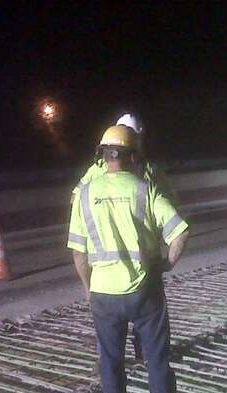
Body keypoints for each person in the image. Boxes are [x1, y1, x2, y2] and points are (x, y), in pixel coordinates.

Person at [67, 125, 190, 393]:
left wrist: (88, 288)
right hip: (143, 289)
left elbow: (79, 253)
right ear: (134, 154)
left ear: (103, 155)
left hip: (104, 294)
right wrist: (168, 262)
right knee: (157, 360)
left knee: (110, 364)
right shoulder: (143, 189)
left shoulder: (86, 194)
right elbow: (180, 231)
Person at [73, 114, 171, 371]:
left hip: (142, 256)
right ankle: (111, 359)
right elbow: (77, 199)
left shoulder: (149, 170)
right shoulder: (98, 170)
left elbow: (167, 204)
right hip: (112, 257)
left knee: (142, 312)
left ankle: (143, 356)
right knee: (126, 312)